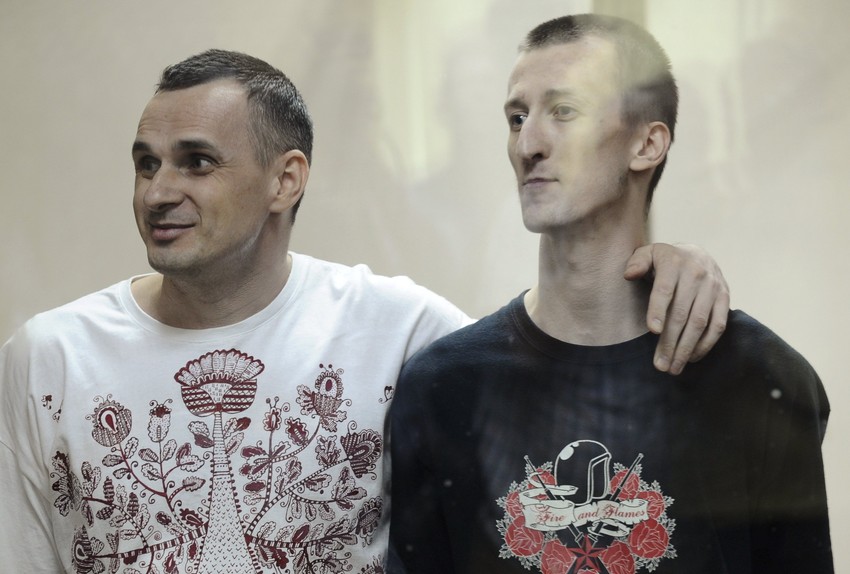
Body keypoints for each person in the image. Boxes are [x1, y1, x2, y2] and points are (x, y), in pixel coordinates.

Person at [0, 49, 728, 574]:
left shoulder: (399, 328)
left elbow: (565, 389)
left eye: (197, 162)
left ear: (286, 180)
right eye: (146, 163)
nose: (158, 192)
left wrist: (661, 268)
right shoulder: (49, 357)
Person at [390, 14, 832, 574]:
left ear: (647, 143)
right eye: (517, 117)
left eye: (564, 111)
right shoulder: (444, 387)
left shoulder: (755, 378)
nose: (528, 144)